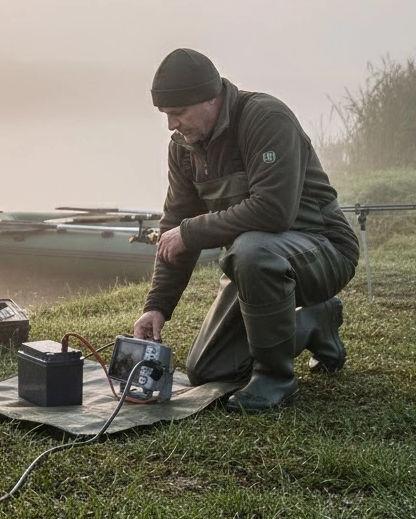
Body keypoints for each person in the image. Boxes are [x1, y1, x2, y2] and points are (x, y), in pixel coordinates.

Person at [132, 48, 360, 412]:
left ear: (210, 98)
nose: (171, 125)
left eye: (178, 113)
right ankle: (316, 321)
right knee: (208, 371)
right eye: (165, 115)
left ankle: (276, 380)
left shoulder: (266, 118)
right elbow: (173, 228)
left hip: (325, 249)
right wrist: (157, 307)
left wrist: (191, 232)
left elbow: (272, 212)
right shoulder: (183, 149)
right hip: (255, 264)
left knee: (252, 249)